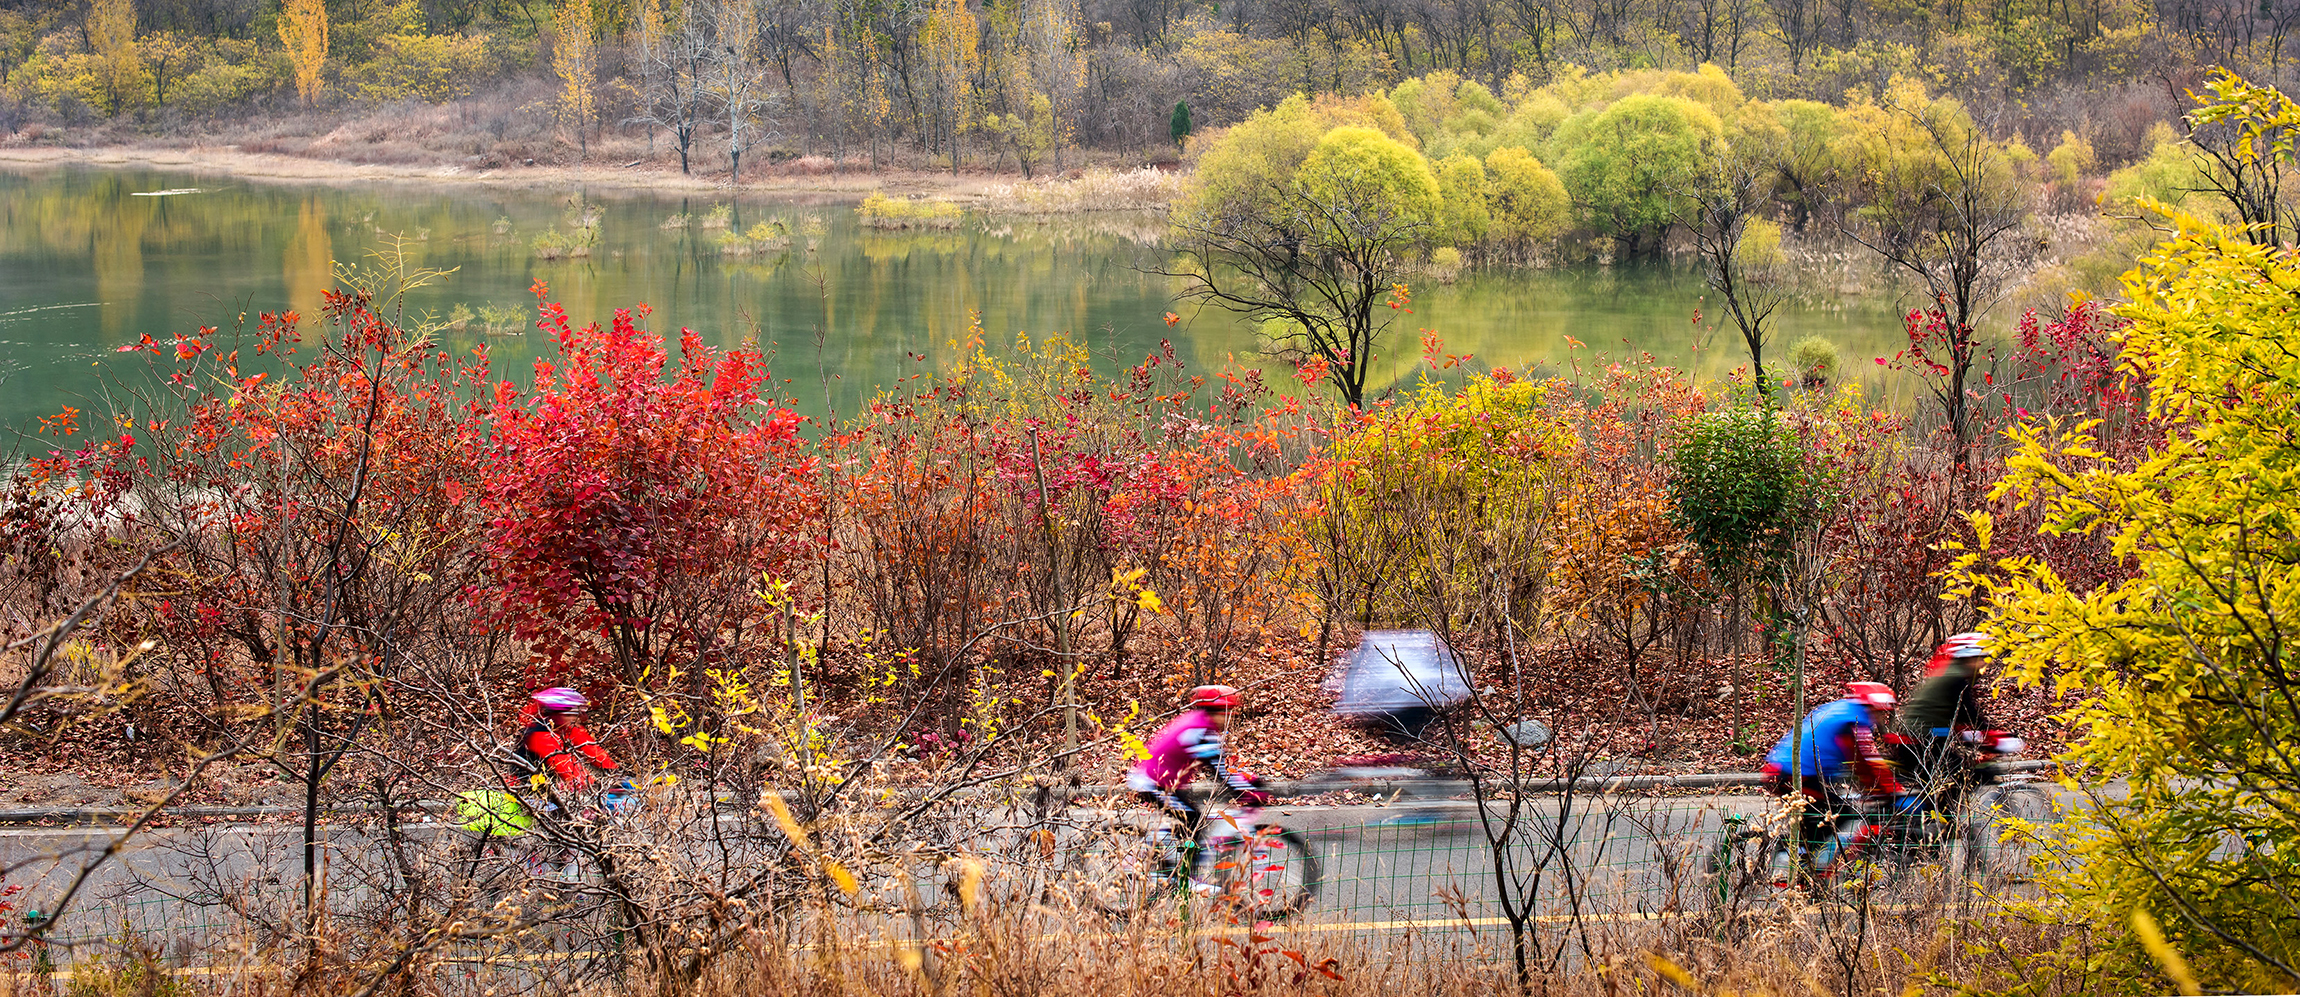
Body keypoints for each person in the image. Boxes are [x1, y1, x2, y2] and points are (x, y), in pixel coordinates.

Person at [1761, 681, 1915, 877]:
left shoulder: (1842, 710)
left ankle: (1803, 858)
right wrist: (1890, 791)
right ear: (1871, 707)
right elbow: (1866, 762)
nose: (1880, 717)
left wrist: (1870, 788)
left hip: (1787, 769)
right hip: (1792, 775)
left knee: (1824, 814)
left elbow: (1856, 763)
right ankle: (1797, 863)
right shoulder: (1852, 721)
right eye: (1879, 711)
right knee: (1836, 813)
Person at [1126, 685, 1272, 888]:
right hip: (1153, 782)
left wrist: (1247, 782)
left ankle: (1167, 859)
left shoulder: (1200, 725)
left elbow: (1221, 765)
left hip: (1160, 780)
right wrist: (1246, 790)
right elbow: (1219, 770)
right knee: (1193, 820)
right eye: (1226, 712)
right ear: (1215, 711)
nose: (1228, 717)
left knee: (1189, 819)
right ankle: (1184, 879)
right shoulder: (1200, 730)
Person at [1893, 632, 2025, 795]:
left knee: (1953, 777)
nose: (1984, 663)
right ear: (1969, 657)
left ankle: (1939, 816)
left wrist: (1982, 738)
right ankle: (1939, 819)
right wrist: (1995, 738)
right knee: (1960, 779)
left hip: (1923, 741)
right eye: (1981, 658)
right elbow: (1969, 714)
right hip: (1923, 744)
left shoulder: (1951, 674)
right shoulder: (1956, 680)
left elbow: (1960, 720)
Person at [513, 687, 621, 796]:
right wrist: (595, 787)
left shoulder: (564, 727)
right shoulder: (540, 736)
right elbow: (570, 771)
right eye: (571, 714)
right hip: (526, 795)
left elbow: (592, 751)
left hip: (551, 790)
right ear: (557, 715)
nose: (576, 718)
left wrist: (614, 773)